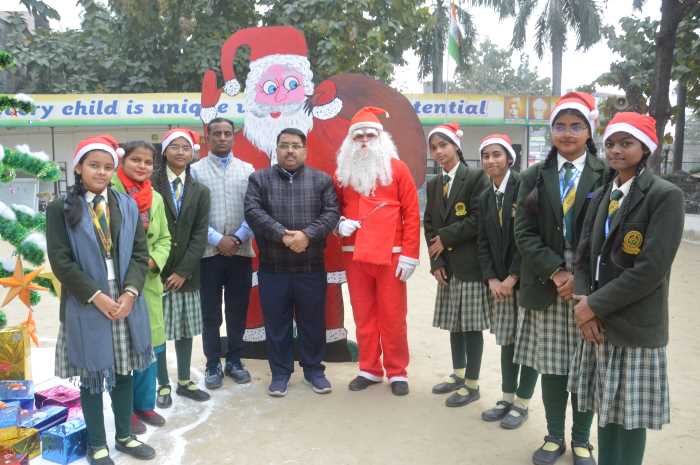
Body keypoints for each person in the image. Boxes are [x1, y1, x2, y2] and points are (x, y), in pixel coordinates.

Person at [569, 112, 684, 465]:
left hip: (635, 325)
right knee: (605, 408)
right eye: (610, 144)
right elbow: (583, 254)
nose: (616, 150)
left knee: (630, 417)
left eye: (626, 143)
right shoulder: (603, 193)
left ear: (645, 147)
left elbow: (651, 270)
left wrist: (593, 306)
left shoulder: (664, 196)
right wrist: (584, 304)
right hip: (598, 325)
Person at [47, 135, 156, 465]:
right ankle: (97, 444)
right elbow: (61, 261)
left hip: (124, 298)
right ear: (78, 167)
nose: (101, 172)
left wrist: (130, 293)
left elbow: (139, 254)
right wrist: (96, 296)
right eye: (94, 165)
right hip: (86, 299)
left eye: (108, 167)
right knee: (93, 375)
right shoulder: (60, 208)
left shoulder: (126, 204)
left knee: (123, 371)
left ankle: (124, 436)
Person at [514, 92, 605, 465]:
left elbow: (609, 234)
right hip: (548, 283)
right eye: (560, 126)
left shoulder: (607, 173)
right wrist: (556, 270)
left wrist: (579, 279)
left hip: (591, 287)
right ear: (551, 131)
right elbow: (523, 232)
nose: (567, 133)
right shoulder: (534, 176)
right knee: (552, 366)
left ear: (589, 131)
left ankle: (582, 440)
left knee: (585, 365)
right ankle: (554, 436)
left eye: (576, 126)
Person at [245, 128, 340, 397]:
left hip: (310, 268)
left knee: (313, 322)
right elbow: (253, 211)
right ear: (276, 149)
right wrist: (282, 235)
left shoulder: (321, 180)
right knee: (277, 324)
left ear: (305, 150)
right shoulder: (259, 179)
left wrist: (307, 235)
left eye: (296, 146)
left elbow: (332, 212)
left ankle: (314, 370)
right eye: (284, 145)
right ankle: (280, 373)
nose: (290, 151)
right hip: (273, 269)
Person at [335, 106, 420, 396]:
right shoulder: (342, 173)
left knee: (393, 316)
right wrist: (339, 223)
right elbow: (331, 208)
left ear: (381, 138)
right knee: (363, 315)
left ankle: (397, 371)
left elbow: (411, 213)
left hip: (391, 254)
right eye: (358, 136)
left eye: (370, 135)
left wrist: (410, 253)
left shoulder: (398, 169)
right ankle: (369, 368)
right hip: (355, 254)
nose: (364, 141)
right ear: (350, 140)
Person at [423, 123, 490, 407]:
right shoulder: (433, 184)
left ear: (456, 147)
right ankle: (458, 374)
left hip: (470, 265)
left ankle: (472, 384)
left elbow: (479, 219)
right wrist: (436, 261)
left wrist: (446, 237)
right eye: (434, 147)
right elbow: (428, 224)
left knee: (471, 326)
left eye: (444, 145)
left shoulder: (476, 177)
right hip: (447, 266)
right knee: (455, 323)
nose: (439, 152)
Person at [477, 134, 539, 429]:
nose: (491, 160)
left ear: (509, 159)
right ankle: (506, 398)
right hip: (499, 284)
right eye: (486, 156)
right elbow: (482, 242)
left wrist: (512, 277)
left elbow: (527, 238)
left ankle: (522, 403)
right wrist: (491, 278)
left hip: (525, 281)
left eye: (497, 154)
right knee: (507, 341)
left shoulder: (524, 187)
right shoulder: (485, 197)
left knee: (528, 343)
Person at [111, 141, 171, 434]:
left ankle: (144, 404)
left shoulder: (156, 198)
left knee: (150, 345)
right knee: (122, 348)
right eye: (136, 160)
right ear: (123, 161)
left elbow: (165, 239)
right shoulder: (109, 192)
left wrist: (153, 260)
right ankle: (124, 409)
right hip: (117, 282)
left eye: (148, 162)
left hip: (148, 281)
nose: (142, 166)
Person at [190, 117, 254, 389]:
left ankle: (235, 361)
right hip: (208, 253)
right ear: (208, 137)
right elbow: (192, 214)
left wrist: (238, 237)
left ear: (234, 137)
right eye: (217, 133)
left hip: (241, 251)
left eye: (227, 133)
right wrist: (218, 239)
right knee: (211, 313)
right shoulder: (195, 171)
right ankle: (213, 363)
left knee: (237, 310)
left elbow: (254, 209)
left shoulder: (248, 170)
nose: (222, 138)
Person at [151, 128, 211, 406]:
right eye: (174, 146)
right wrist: (157, 267)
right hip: (155, 272)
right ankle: (162, 384)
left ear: (193, 153)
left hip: (187, 274)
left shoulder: (200, 191)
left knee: (185, 330)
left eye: (185, 148)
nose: (180, 152)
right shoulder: (149, 185)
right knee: (158, 330)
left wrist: (183, 271)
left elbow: (200, 235)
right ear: (164, 151)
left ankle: (185, 381)